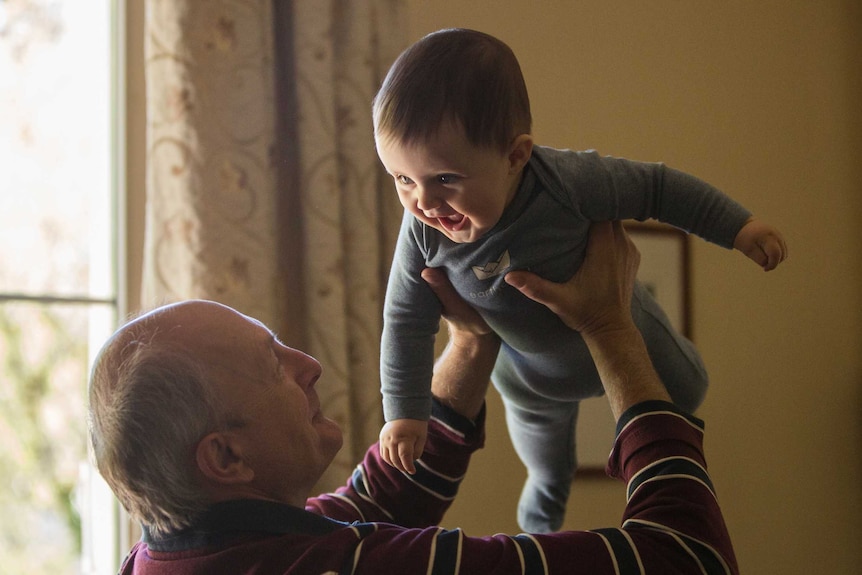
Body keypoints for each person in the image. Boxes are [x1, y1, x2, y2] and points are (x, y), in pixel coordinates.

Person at [89, 221, 738, 574]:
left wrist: (471, 338)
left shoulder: (182, 551)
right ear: (225, 457)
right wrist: (611, 328)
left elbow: (377, 499)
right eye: (274, 365)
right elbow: (687, 559)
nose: (309, 365)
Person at [374, 27, 788, 532]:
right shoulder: (421, 232)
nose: (424, 202)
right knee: (548, 469)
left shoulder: (567, 182)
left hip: (624, 327)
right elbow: (404, 321)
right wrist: (404, 413)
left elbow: (658, 188)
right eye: (401, 179)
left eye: (444, 179)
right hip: (529, 379)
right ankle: (541, 530)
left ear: (515, 157)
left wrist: (739, 227)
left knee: (689, 391)